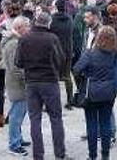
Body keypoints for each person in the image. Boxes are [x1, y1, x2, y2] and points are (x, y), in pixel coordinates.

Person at [15, 11, 69, 160]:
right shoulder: (52, 38)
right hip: (49, 81)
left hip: (32, 82)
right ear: (48, 23)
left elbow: (18, 62)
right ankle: (60, 153)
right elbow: (61, 59)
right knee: (56, 118)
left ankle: (38, 155)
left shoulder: (25, 39)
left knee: (35, 119)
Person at [73, 26, 117, 160]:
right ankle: (105, 156)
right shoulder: (115, 54)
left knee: (92, 124)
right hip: (108, 92)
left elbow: (76, 69)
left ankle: (92, 156)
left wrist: (84, 77)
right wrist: (115, 90)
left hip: (91, 92)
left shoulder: (90, 53)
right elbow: (116, 74)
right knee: (105, 124)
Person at [3, 16, 32, 156]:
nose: (29, 29)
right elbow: (16, 68)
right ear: (20, 27)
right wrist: (27, 78)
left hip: (17, 84)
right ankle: (14, 144)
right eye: (27, 26)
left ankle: (18, 138)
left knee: (19, 113)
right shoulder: (14, 44)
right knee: (16, 115)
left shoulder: (16, 41)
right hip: (17, 84)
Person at [50, 0, 75, 109]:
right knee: (67, 76)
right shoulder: (69, 19)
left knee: (53, 77)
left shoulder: (52, 19)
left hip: (55, 51)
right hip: (68, 50)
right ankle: (70, 100)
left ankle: (52, 102)